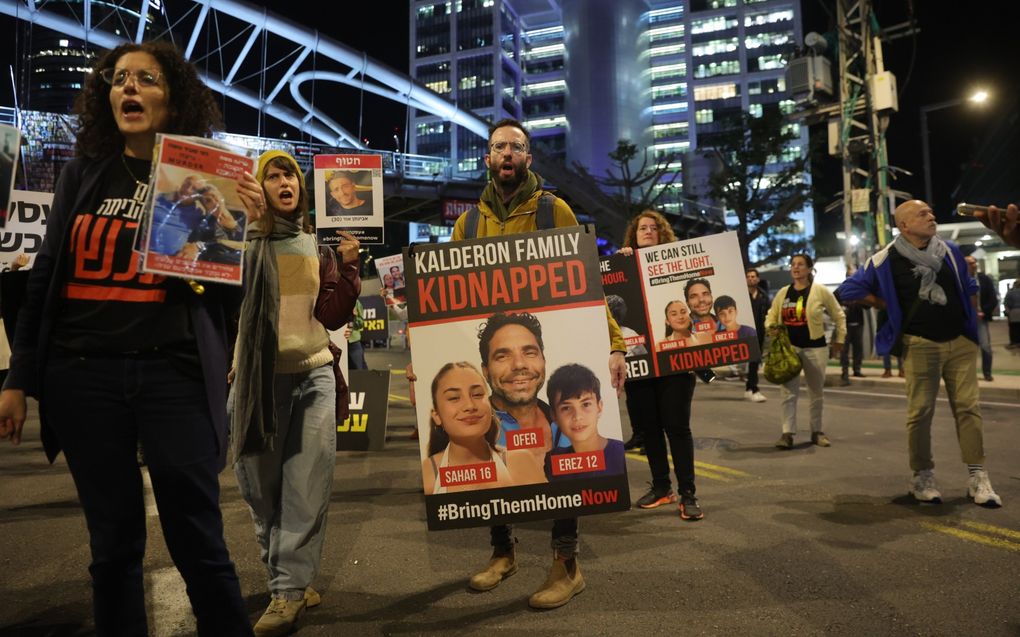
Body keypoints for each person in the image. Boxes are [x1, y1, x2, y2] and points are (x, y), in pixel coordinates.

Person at [0, 41, 260, 635]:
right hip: (82, 376)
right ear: (106, 95)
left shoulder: (203, 180)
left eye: (146, 78)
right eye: (119, 79)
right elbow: (45, 277)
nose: (130, 88)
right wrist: (18, 379)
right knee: (112, 547)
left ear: (174, 98)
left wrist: (244, 234)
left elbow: (226, 300)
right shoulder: (82, 173)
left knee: (200, 544)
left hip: (173, 375)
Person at [441, 118, 627, 610]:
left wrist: (614, 343)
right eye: (498, 146)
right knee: (492, 449)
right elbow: (449, 310)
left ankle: (567, 565)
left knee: (561, 450)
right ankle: (502, 553)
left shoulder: (553, 211)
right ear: (487, 157)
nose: (507, 153)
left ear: (528, 159)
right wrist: (430, 356)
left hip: (549, 348)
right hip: (498, 356)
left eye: (516, 147)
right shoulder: (469, 224)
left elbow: (588, 285)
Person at [230, 150, 361, 636]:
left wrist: (349, 270)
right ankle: (290, 572)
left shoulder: (316, 248)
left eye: (291, 175)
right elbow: (221, 308)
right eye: (274, 175)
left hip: (313, 376)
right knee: (261, 490)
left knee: (306, 487)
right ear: (258, 187)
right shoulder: (237, 243)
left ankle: (286, 592)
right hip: (257, 381)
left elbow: (331, 317)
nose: (285, 182)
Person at [836, 200, 1001, 507]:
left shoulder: (949, 250)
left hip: (960, 343)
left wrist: (972, 326)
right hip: (919, 344)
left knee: (968, 409)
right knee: (920, 413)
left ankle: (978, 477)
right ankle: (921, 475)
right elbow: (847, 290)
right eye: (922, 214)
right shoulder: (885, 258)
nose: (932, 216)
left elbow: (968, 285)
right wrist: (885, 304)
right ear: (904, 225)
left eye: (931, 211)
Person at [616, 210, 704, 521]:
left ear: (662, 233)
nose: (648, 231)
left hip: (674, 364)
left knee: (678, 429)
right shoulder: (622, 263)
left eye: (654, 227)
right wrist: (622, 261)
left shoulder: (675, 268)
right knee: (650, 431)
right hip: (641, 366)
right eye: (642, 228)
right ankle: (662, 487)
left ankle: (688, 494)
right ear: (633, 234)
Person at [422, 361, 545, 494]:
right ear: (436, 415)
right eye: (454, 398)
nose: (470, 406)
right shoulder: (427, 472)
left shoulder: (520, 462)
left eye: (477, 394)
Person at [766, 253, 846, 449]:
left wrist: (840, 339)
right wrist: (771, 327)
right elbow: (771, 315)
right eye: (793, 264)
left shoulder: (820, 291)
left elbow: (839, 315)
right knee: (787, 393)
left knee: (816, 392)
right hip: (789, 350)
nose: (796, 268)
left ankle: (816, 432)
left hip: (815, 348)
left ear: (810, 269)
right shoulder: (783, 293)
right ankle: (787, 434)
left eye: (801, 264)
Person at [544, 364, 625, 480]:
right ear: (554, 416)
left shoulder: (620, 455)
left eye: (586, 404)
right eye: (566, 408)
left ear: (599, 406)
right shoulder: (553, 460)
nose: (577, 417)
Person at [149, 174, 207, 255]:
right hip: (145, 252)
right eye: (187, 183)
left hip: (171, 260)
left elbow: (209, 240)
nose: (188, 189)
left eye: (194, 189)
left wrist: (197, 246)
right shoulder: (157, 198)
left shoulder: (198, 214)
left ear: (198, 197)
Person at [965, 255, 997, 381]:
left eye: (974, 263)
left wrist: (985, 311)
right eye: (970, 263)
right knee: (966, 348)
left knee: (985, 346)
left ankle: (987, 373)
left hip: (980, 318)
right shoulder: (961, 279)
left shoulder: (984, 279)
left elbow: (992, 297)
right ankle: (968, 374)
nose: (973, 265)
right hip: (966, 318)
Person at [744, 267, 769, 402]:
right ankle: (754, 389)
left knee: (755, 361)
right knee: (753, 360)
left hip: (759, 332)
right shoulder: (741, 295)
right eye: (748, 276)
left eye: (753, 276)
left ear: (758, 279)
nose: (751, 278)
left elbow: (769, 313)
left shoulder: (763, 296)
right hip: (745, 333)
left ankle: (750, 388)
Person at [839, 269, 866, 385]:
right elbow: (835, 303)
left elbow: (867, 305)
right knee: (844, 350)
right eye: (850, 275)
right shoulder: (842, 289)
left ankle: (857, 370)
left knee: (858, 349)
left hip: (858, 324)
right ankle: (845, 373)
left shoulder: (860, 290)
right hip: (845, 325)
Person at [347, 298, 368, 370]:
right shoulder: (336, 300)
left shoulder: (356, 302)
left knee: (358, 370)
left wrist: (355, 317)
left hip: (353, 342)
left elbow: (361, 324)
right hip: (339, 342)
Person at [1005, 278, 1020, 349]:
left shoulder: (1010, 292)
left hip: (1013, 312)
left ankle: (1014, 342)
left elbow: (1007, 303)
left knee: (1013, 328)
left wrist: (1008, 312)